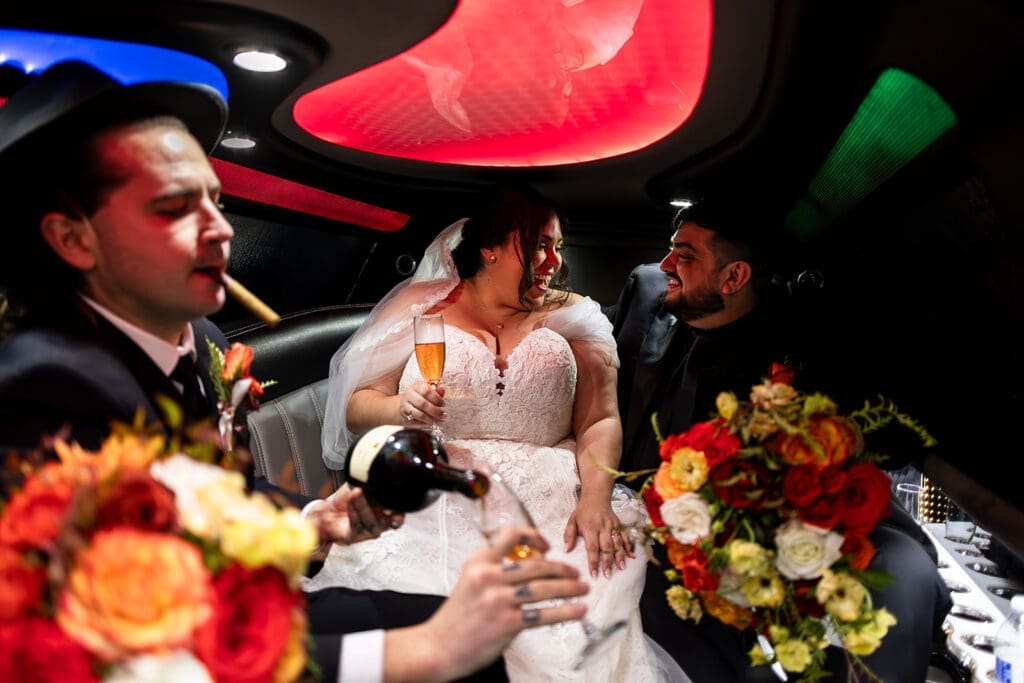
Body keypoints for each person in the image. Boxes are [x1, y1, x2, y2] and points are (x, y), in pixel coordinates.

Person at [0, 59, 591, 683]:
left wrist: (312, 521)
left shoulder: (199, 339)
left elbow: (220, 495)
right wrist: (423, 654)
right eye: (175, 207)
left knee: (486, 651)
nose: (221, 229)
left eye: (216, 200)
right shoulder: (39, 388)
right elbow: (113, 652)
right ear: (73, 239)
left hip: (240, 603)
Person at [314, 185, 688, 682]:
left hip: (551, 498)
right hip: (437, 485)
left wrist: (595, 498)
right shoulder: (419, 306)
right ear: (489, 247)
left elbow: (599, 419)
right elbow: (360, 405)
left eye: (558, 246)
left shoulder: (576, 315)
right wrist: (400, 408)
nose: (553, 260)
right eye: (538, 245)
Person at [604, 198, 954, 682]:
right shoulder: (647, 292)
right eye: (670, 251)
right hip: (626, 521)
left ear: (734, 278)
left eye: (685, 255)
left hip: (723, 550)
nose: (667, 266)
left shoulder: (801, 348)